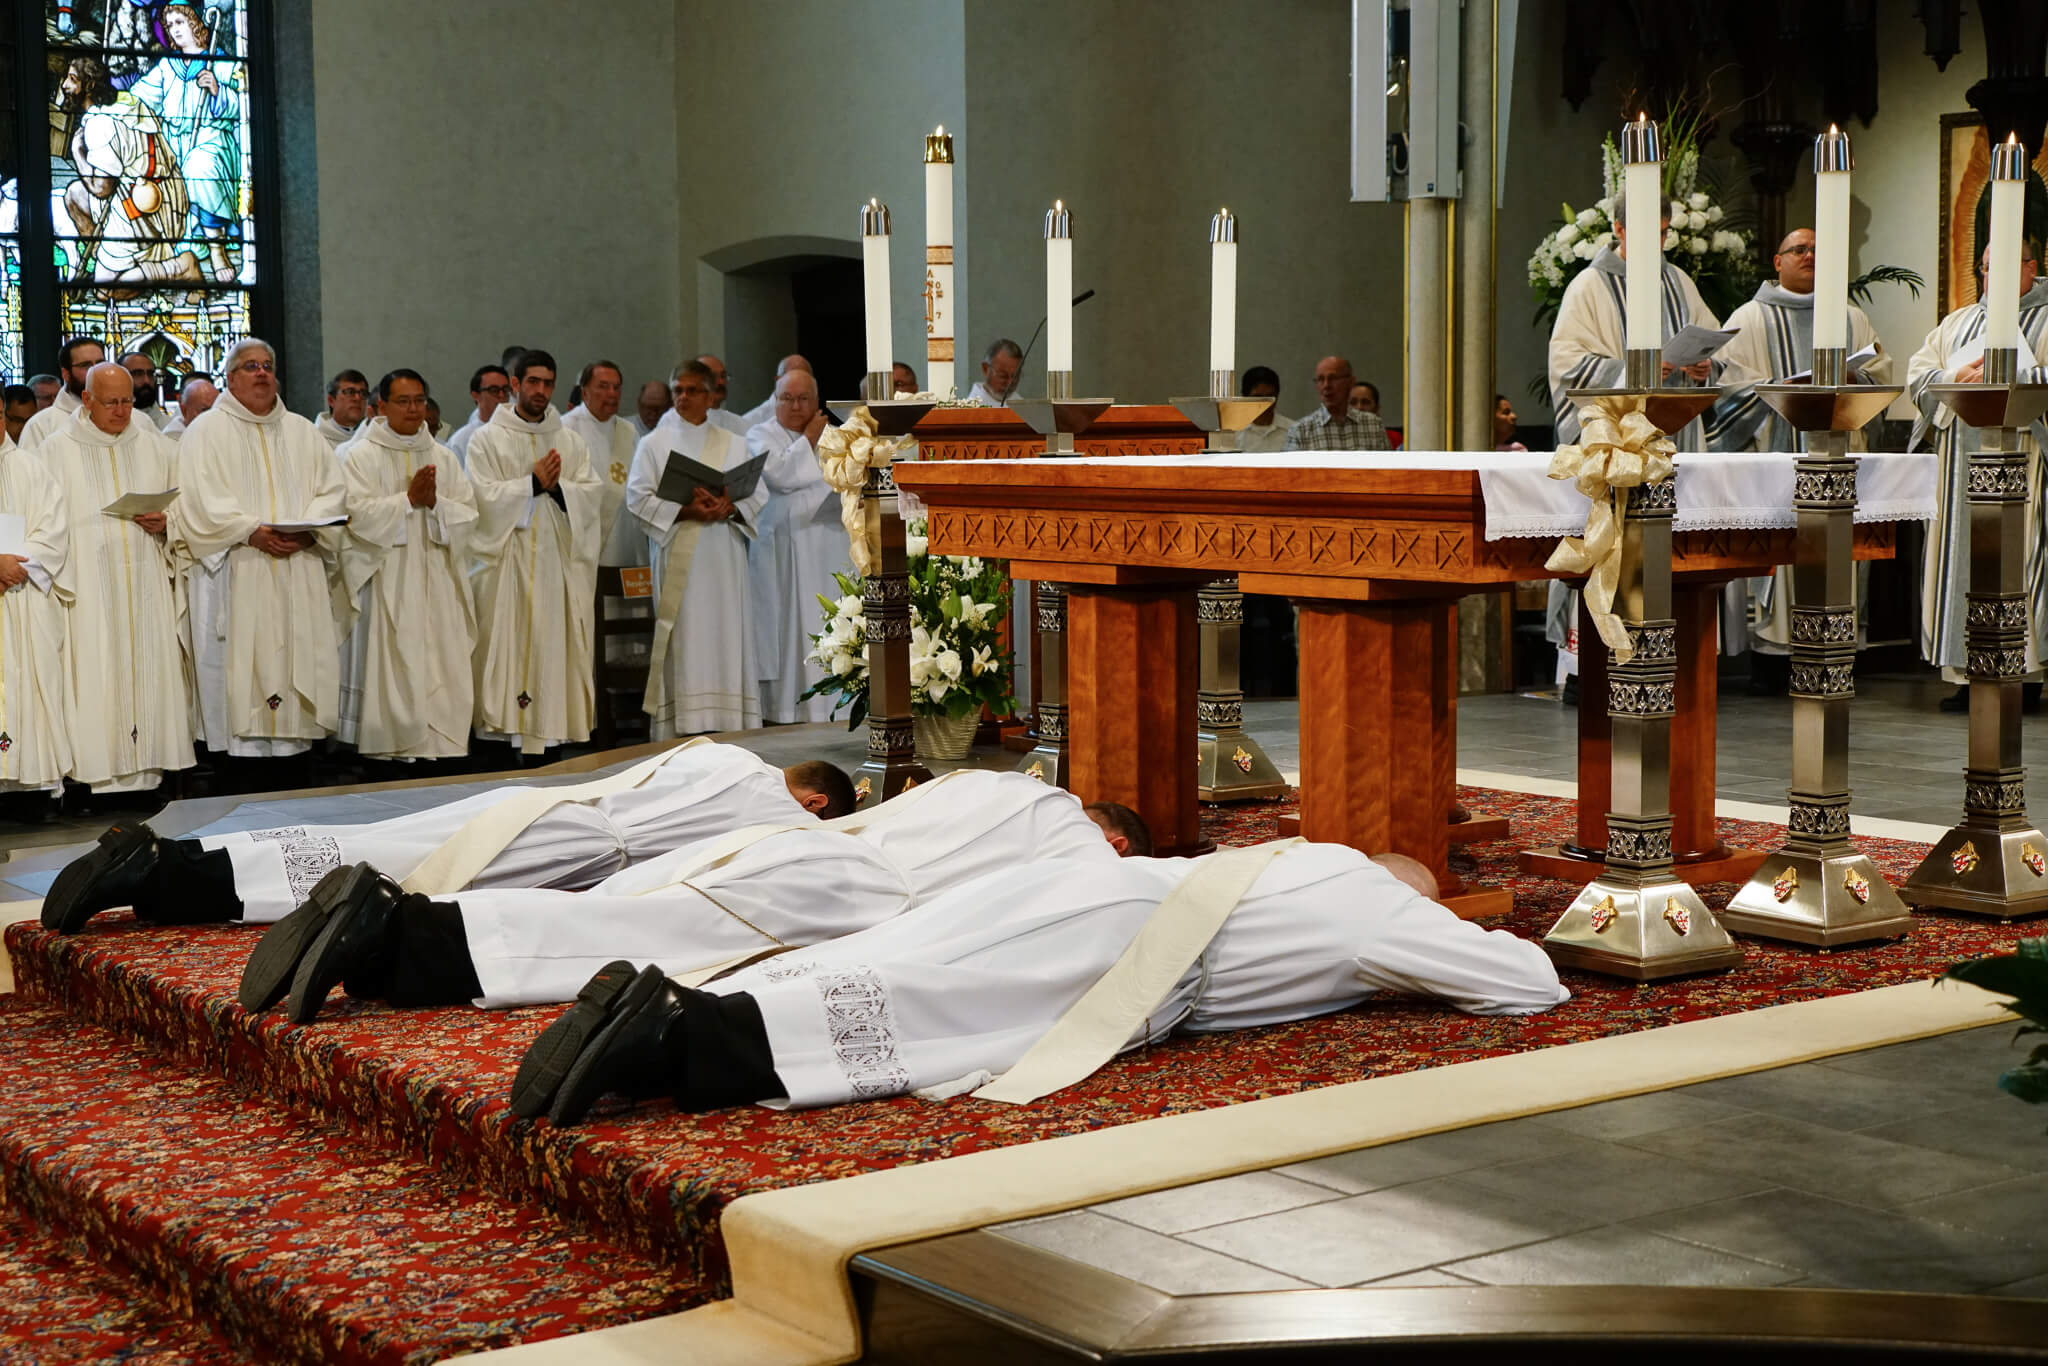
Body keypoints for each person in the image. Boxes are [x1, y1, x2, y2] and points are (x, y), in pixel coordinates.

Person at [528, 840, 1567, 1124]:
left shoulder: (1300, 855)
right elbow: (1526, 984)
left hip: (1086, 889)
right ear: (1409, 891)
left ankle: (652, 1003)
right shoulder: (1376, 903)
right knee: (935, 1017)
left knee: (900, 952)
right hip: (1143, 952)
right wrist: (1428, 930)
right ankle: (671, 1035)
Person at [245, 770, 1141, 1040]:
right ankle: (395, 938)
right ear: (1117, 842)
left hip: (804, 850)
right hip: (851, 895)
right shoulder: (1079, 848)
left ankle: (381, 929)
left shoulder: (994, 781)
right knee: (625, 931)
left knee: (625, 904)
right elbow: (1025, 915)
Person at [42, 741, 856, 936]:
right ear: (816, 801)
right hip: (574, 848)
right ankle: (162, 876)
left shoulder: (725, 754)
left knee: (382, 836)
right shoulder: (784, 817)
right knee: (382, 867)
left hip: (545, 804)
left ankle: (174, 857)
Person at [1546, 200, 1728, 668]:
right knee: (1614, 544)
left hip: (1673, 436)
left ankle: (1678, 654)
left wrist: (1705, 366)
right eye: (1649, 231)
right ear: (1619, 228)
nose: (1659, 243)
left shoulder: (1677, 281)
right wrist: (1639, 368)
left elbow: (1713, 337)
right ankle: (1601, 658)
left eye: (1664, 232)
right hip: (1618, 443)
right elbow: (1567, 366)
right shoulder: (1588, 286)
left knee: (1675, 543)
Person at [1712, 227, 1892, 690]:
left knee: (1836, 556)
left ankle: (1836, 655)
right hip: (1777, 462)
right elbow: (1728, 388)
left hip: (1838, 462)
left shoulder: (1851, 318)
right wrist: (1780, 395)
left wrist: (1853, 378)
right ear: (1777, 261)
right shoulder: (1749, 318)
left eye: (1817, 249)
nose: (1809, 255)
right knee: (1781, 560)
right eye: (1799, 249)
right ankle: (1772, 662)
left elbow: (1879, 374)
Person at [173, 337, 346, 763]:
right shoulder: (206, 431)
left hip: (295, 570)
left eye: (267, 365)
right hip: (237, 568)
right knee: (238, 679)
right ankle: (236, 777)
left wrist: (311, 533)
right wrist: (251, 531)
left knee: (293, 668)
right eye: (250, 366)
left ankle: (295, 774)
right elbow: (197, 499)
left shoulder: (303, 431)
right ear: (230, 379)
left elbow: (334, 493)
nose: (262, 373)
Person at [1909, 238, 2048, 713]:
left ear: (2033, 267)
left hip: (2029, 465)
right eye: (1990, 268)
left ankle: (2025, 674)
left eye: (2011, 266)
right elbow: (1920, 374)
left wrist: (2021, 381)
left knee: (2024, 557)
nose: (1999, 277)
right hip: (1958, 465)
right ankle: (1967, 677)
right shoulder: (1958, 322)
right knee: (1959, 561)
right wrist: (1950, 382)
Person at [43, 362, 192, 794]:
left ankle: (151, 776)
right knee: (95, 672)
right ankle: (92, 782)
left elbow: (185, 509)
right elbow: (43, 517)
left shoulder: (156, 447)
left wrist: (166, 523)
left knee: (148, 674)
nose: (122, 411)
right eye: (112, 402)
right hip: (88, 586)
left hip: (146, 580)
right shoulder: (56, 449)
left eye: (128, 401)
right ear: (87, 400)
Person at [467, 349, 604, 757]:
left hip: (555, 572)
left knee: (553, 652)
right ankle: (499, 748)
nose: (541, 391)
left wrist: (558, 487)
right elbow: (479, 500)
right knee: (503, 652)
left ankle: (548, 744)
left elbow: (592, 496)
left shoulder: (570, 441)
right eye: (533, 382)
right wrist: (530, 483)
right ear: (515, 384)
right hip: (505, 568)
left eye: (548, 383)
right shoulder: (487, 439)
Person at [335, 370, 478, 762]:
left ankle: (439, 750)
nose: (414, 409)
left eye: (419, 400)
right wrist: (406, 501)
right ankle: (388, 753)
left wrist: (435, 505)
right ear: (380, 406)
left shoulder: (443, 456)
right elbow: (351, 516)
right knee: (393, 667)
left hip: (437, 578)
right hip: (385, 579)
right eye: (404, 401)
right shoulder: (357, 455)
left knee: (440, 666)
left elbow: (468, 517)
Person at [630, 360, 765, 738]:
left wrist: (731, 506)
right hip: (681, 556)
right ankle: (683, 727)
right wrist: (686, 509)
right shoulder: (653, 444)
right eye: (678, 390)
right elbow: (637, 499)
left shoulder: (734, 443)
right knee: (686, 637)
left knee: (725, 632)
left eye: (691, 390)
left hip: (723, 554)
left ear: (709, 396)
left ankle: (729, 723)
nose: (682, 398)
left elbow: (758, 492)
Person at [747, 367, 842, 723]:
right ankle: (787, 708)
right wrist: (809, 441)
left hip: (827, 548)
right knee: (790, 630)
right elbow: (781, 476)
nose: (796, 406)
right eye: (787, 398)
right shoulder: (759, 434)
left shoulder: (832, 436)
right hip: (783, 552)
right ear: (775, 400)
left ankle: (830, 705)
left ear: (817, 402)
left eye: (804, 399)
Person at [55, 55, 199, 286]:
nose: (65, 86)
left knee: (107, 290)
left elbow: (102, 188)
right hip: (168, 196)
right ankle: (110, 258)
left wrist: (77, 152)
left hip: (146, 207)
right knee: (74, 194)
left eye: (72, 79)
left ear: (90, 86)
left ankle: (180, 267)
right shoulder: (126, 102)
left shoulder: (100, 124)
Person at [125, 4, 242, 282]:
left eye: (180, 22)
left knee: (199, 168)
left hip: (212, 139)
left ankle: (217, 249)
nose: (175, 29)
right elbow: (139, 96)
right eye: (170, 24)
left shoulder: (221, 62)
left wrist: (217, 90)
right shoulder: (168, 66)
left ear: (195, 23)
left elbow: (243, 106)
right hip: (175, 142)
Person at [0, 421, 73, 804]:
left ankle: (28, 792)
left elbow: (54, 531)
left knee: (29, 683)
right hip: (11, 583)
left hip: (23, 595)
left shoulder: (31, 467)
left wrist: (15, 566)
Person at [559, 359, 644, 567]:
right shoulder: (566, 429)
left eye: (616, 388)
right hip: (582, 540)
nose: (612, 393)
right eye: (603, 387)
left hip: (626, 538)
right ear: (584, 391)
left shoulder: (629, 432)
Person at [1285, 357, 1392, 451]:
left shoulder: (1373, 425)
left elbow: (1389, 471)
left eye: (1333, 378)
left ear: (1351, 382)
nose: (1326, 385)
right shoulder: (1301, 430)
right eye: (1321, 379)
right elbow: (1290, 473)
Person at [20, 335, 103, 452]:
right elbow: (29, 469)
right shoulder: (41, 425)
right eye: (86, 366)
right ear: (66, 374)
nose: (96, 370)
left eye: (100, 363)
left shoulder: (128, 416)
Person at [447, 364, 511, 466]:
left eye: (505, 390)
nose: (501, 395)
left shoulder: (519, 430)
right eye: (494, 390)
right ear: (476, 395)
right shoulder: (461, 440)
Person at [734, 355, 812, 431]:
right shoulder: (749, 423)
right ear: (778, 381)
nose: (801, 385)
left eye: (805, 379)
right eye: (793, 379)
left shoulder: (816, 419)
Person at [693, 353, 751, 438]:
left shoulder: (740, 424)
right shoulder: (674, 421)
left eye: (723, 376)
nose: (721, 382)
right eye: (713, 376)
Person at [1236, 365, 1291, 453]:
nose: (1265, 404)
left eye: (1269, 397)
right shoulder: (1232, 434)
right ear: (1245, 397)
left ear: (1277, 396)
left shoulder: (1293, 431)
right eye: (1257, 397)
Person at [315, 369, 368, 450]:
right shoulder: (315, 438)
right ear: (331, 400)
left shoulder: (373, 435)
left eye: (363, 393)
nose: (357, 398)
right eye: (350, 392)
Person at [120, 352, 171, 430]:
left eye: (150, 374)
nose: (146, 381)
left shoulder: (169, 427)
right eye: (137, 374)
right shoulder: (111, 424)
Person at [162, 374, 216, 442]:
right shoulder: (171, 439)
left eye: (214, 409)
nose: (210, 415)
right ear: (183, 408)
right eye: (204, 410)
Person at [968, 338, 1021, 407]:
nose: (1009, 383)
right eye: (1003, 376)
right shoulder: (971, 409)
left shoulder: (1021, 405)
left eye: (1015, 376)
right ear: (985, 369)